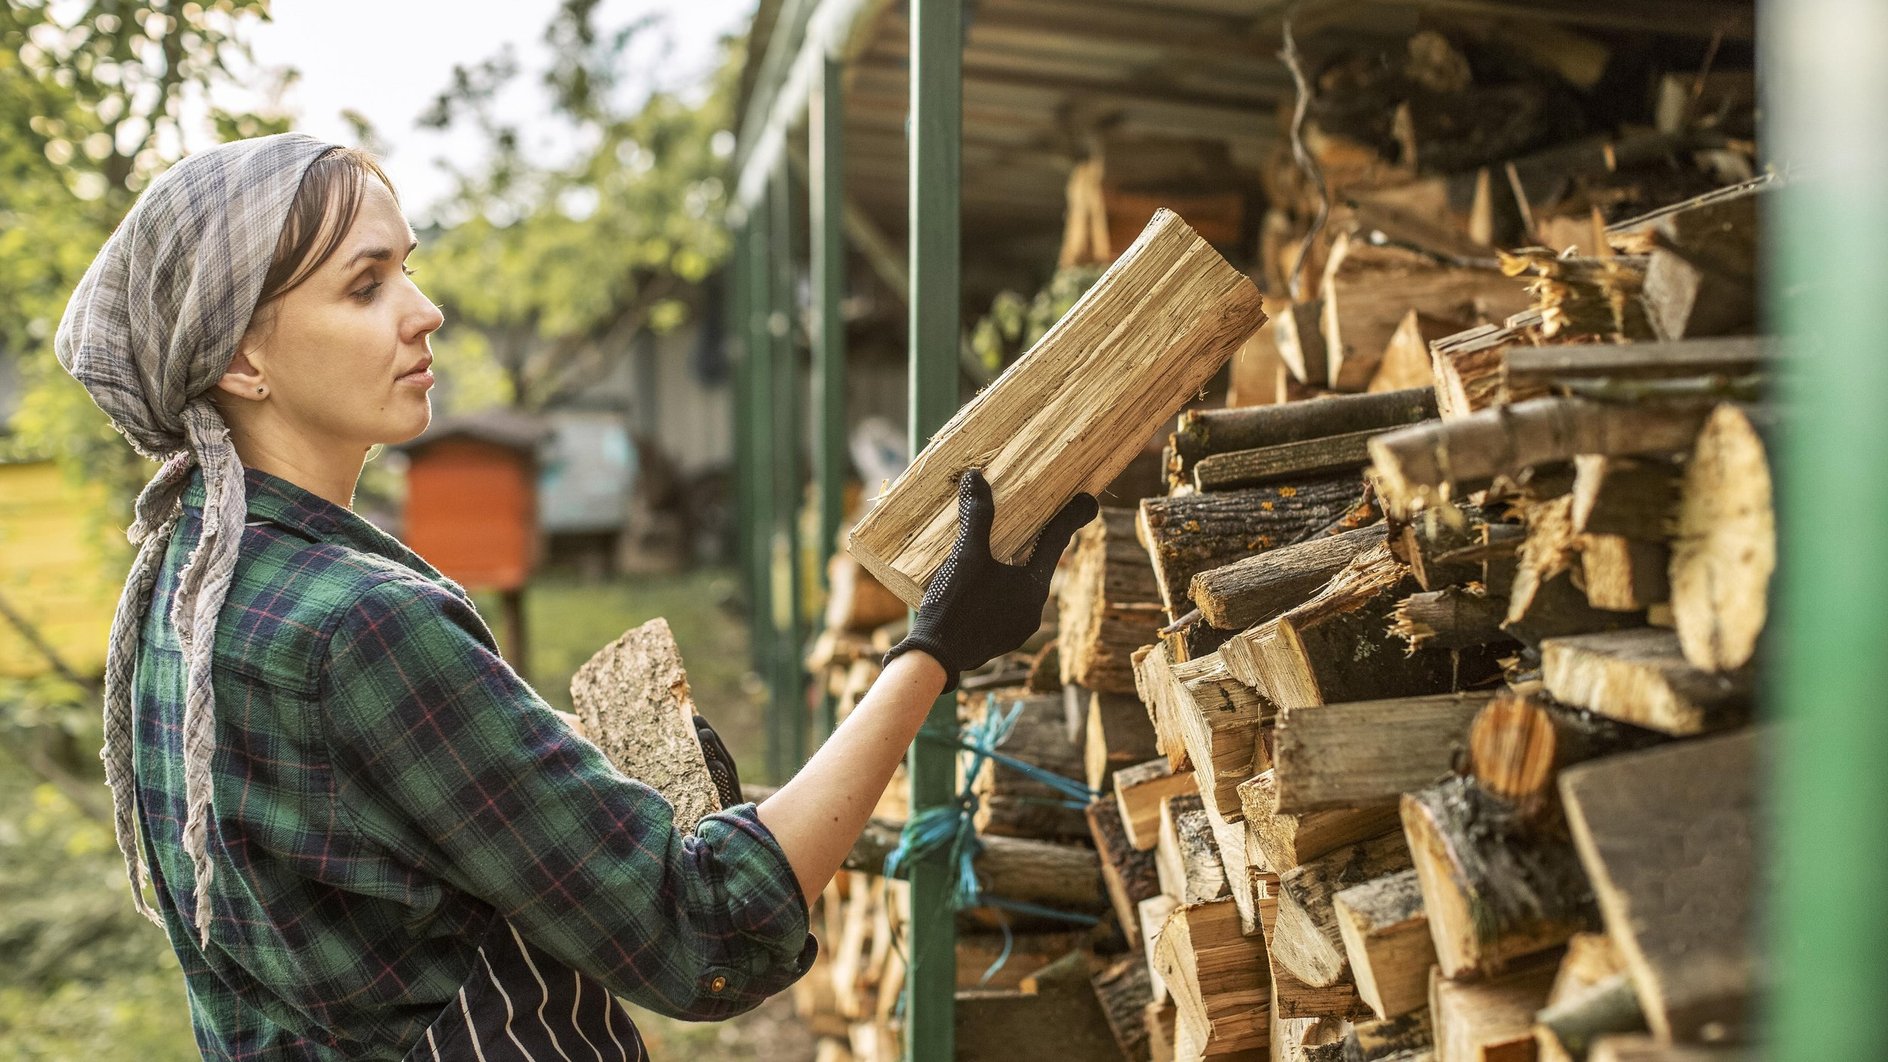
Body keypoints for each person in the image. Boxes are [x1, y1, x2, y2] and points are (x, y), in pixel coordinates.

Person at [54, 132, 1097, 1060]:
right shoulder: (362, 625)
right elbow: (708, 936)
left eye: (406, 270)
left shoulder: (178, 584)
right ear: (241, 356)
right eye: (366, 286)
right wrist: (935, 649)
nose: (428, 312)